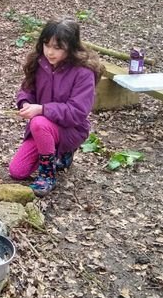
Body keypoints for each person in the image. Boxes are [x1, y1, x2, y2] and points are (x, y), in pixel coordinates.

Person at [9, 18, 103, 197]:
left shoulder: (83, 72)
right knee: (17, 171)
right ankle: (54, 152)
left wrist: (42, 109)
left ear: (71, 47)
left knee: (38, 122)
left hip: (71, 129)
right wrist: (25, 103)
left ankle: (48, 174)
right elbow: (26, 90)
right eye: (47, 45)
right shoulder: (39, 63)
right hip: (43, 130)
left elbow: (77, 112)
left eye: (57, 48)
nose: (50, 52)